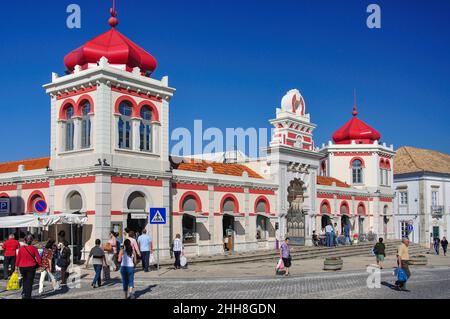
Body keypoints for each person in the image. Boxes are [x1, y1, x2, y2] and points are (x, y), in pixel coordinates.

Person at [16, 234, 42, 299]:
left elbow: (18, 258)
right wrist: (40, 265)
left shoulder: (21, 249)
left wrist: (16, 267)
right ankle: (28, 296)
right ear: (32, 241)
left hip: (22, 267)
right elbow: (38, 258)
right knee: (29, 282)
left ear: (25, 241)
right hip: (31, 266)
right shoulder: (34, 248)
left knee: (25, 280)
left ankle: (24, 293)